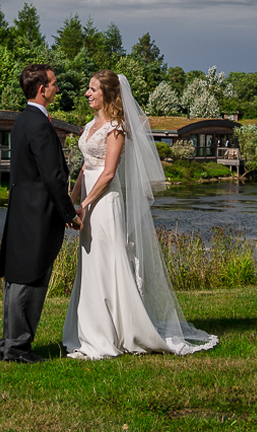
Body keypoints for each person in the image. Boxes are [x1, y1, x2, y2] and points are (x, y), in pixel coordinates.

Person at [62, 70, 219, 360]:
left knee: (108, 261)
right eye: (88, 89)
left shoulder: (117, 127)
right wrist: (70, 203)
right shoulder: (89, 125)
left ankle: (117, 332)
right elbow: (85, 167)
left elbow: (108, 173)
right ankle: (89, 328)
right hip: (87, 199)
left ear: (108, 93)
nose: (87, 93)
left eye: (93, 89)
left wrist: (85, 204)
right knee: (90, 262)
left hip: (106, 202)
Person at [0, 63, 80, 363]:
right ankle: (17, 348)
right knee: (30, 279)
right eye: (54, 84)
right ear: (43, 89)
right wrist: (69, 213)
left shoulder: (22, 121)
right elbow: (53, 178)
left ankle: (10, 342)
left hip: (21, 210)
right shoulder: (41, 125)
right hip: (37, 215)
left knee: (17, 277)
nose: (58, 88)